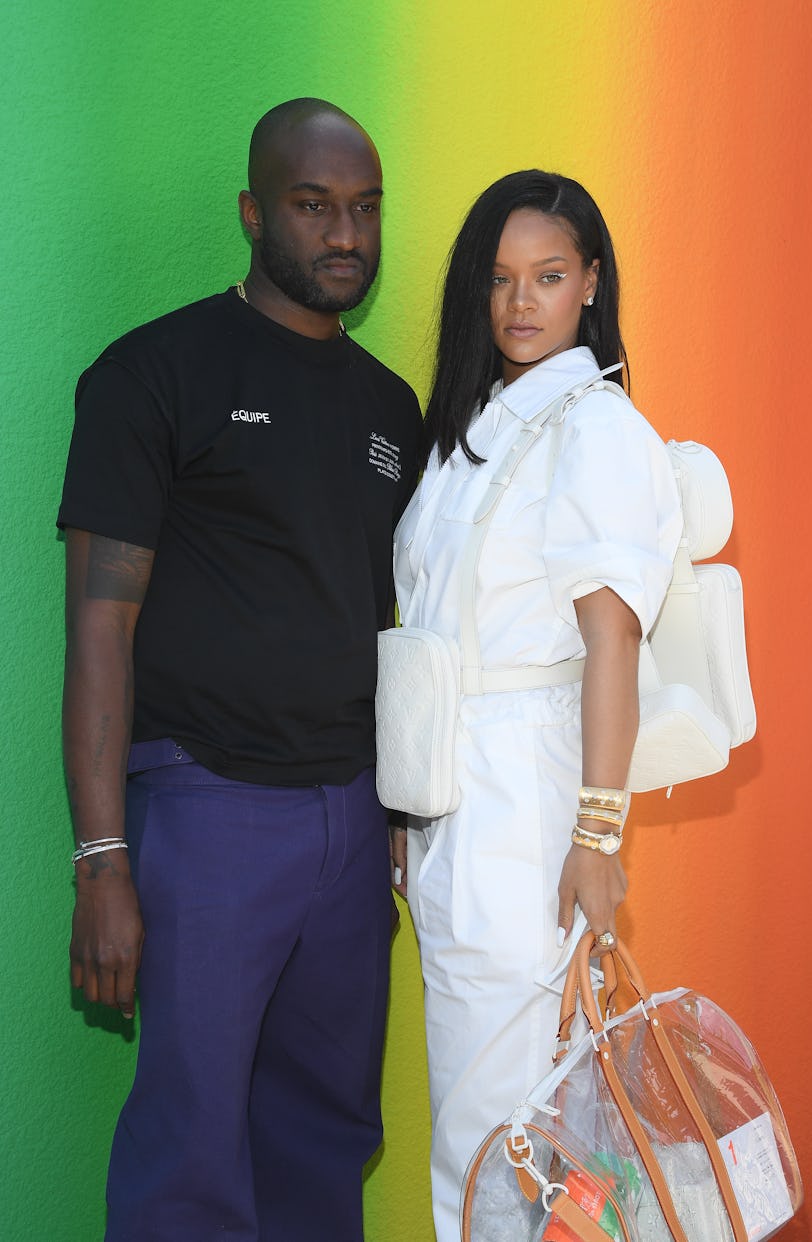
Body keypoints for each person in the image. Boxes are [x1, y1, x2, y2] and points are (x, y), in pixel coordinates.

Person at [58, 98, 421, 1242]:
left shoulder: (388, 409)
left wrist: (400, 817)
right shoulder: (152, 373)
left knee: (326, 1136)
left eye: (364, 208)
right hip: (208, 812)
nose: (344, 233)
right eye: (314, 206)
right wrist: (102, 859)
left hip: (352, 824)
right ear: (255, 212)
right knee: (192, 1148)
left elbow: (394, 624)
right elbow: (99, 626)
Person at [389, 171, 683, 1241]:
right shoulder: (473, 432)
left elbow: (613, 639)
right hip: (454, 807)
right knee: (495, 1127)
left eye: (549, 276)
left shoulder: (591, 429)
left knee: (498, 1137)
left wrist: (599, 834)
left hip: (525, 808)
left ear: (591, 285)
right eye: (502, 280)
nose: (522, 302)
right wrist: (410, 812)